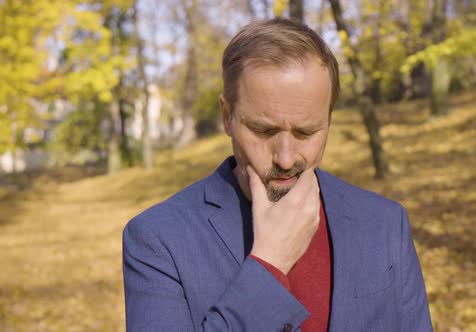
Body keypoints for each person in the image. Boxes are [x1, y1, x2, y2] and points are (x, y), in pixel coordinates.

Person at [123, 18, 432, 332]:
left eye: (306, 132)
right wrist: (269, 265)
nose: (285, 158)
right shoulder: (157, 240)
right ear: (227, 116)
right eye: (263, 130)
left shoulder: (385, 224)